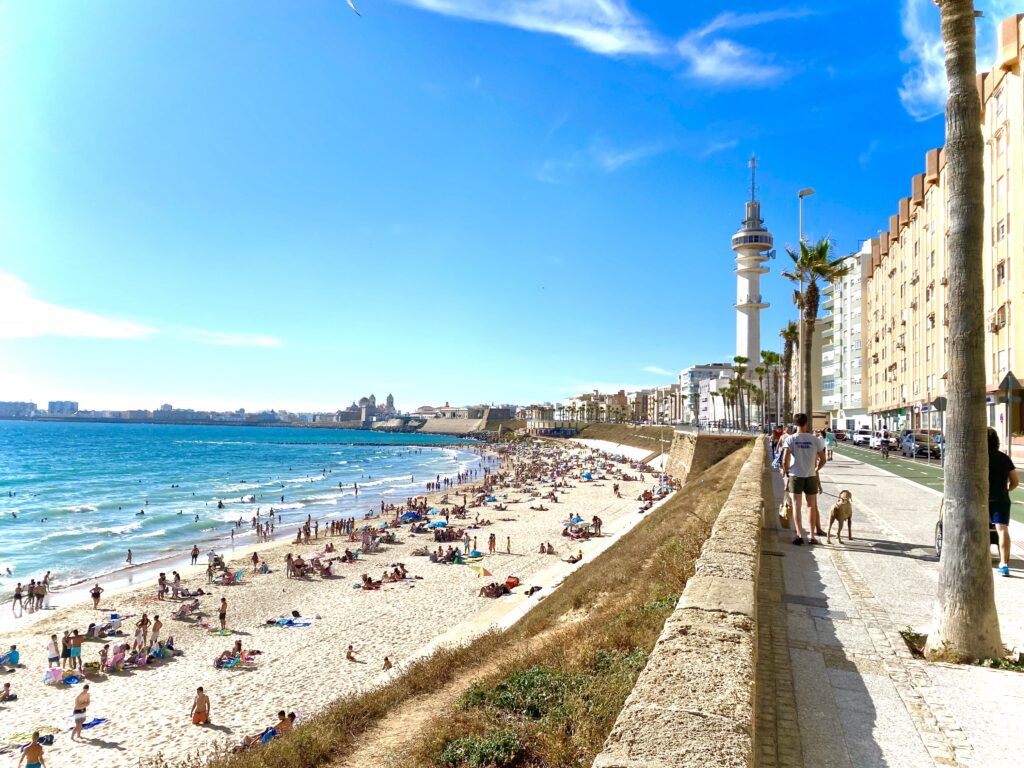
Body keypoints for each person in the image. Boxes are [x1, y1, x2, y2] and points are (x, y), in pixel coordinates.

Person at [780, 413, 827, 545]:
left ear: (795, 424)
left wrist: (787, 472)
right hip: (811, 475)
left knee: (796, 506)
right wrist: (816, 469)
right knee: (811, 506)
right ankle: (812, 536)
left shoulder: (790, 439)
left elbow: (784, 460)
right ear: (806, 423)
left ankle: (800, 535)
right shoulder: (815, 439)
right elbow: (823, 459)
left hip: (795, 475)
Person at [988, 427, 1019, 577]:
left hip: (980, 499)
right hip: (1000, 499)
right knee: (1002, 530)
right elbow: (1015, 482)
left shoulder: (978, 457)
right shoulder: (1004, 458)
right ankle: (1004, 564)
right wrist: (1006, 489)